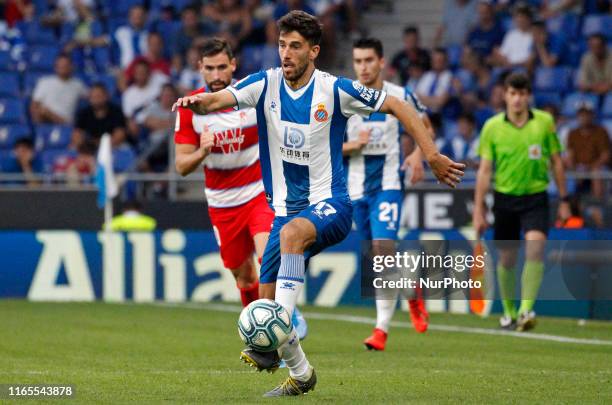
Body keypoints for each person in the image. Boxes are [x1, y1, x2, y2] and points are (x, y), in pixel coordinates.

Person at [173, 11, 464, 397]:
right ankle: (300, 373)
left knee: (288, 257)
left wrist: (430, 154)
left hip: (331, 205)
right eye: (281, 45)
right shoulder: (264, 84)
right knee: (265, 295)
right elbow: (218, 100)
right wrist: (197, 103)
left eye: (295, 46)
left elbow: (400, 106)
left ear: (313, 51)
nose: (286, 53)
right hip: (284, 213)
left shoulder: (335, 90)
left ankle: (290, 319)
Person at [343, 38, 432, 351]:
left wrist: (418, 156)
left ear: (381, 62)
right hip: (355, 190)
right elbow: (324, 147)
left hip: (389, 185)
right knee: (380, 259)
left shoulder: (399, 95)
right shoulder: (343, 97)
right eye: (358, 61)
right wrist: (352, 146)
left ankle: (380, 330)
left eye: (369, 60)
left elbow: (426, 126)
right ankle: (411, 289)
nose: (363, 67)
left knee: (381, 251)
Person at [173, 38, 275, 310]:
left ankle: (279, 316)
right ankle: (259, 330)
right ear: (200, 68)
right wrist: (202, 153)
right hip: (223, 203)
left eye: (222, 67)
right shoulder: (191, 108)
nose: (216, 75)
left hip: (258, 193)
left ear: (233, 65)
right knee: (244, 277)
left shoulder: (251, 93)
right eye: (210, 68)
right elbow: (181, 166)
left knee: (269, 259)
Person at [473, 72, 570, 332]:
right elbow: (484, 170)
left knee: (535, 248)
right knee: (507, 259)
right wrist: (479, 209)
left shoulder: (544, 123)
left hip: (536, 196)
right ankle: (508, 312)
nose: (517, 99)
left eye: (522, 94)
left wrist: (564, 198)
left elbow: (557, 161)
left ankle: (526, 310)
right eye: (512, 93)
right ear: (505, 95)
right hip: (504, 199)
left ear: (528, 96)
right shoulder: (492, 127)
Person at [564, 101, 610, 200]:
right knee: (561, 165)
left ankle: (598, 204)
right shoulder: (573, 133)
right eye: (581, 114)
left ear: (592, 115)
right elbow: (570, 154)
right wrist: (574, 169)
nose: (584, 117)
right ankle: (565, 200)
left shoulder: (601, 132)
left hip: (596, 166)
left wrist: (591, 167)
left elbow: (605, 155)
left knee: (596, 172)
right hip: (579, 167)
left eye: (587, 114)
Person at [30, 54, 88, 125]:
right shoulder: (45, 82)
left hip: (67, 123)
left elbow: (91, 98)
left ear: (71, 67)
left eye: (65, 65)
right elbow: (34, 104)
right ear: (55, 67)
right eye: (60, 65)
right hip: (46, 121)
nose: (63, 68)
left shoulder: (78, 85)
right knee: (40, 110)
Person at [73, 83, 127, 148]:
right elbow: (77, 134)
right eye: (93, 97)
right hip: (90, 148)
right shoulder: (84, 113)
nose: (96, 100)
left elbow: (119, 136)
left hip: (112, 147)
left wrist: (99, 145)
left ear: (106, 96)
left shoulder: (116, 111)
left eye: (98, 96)